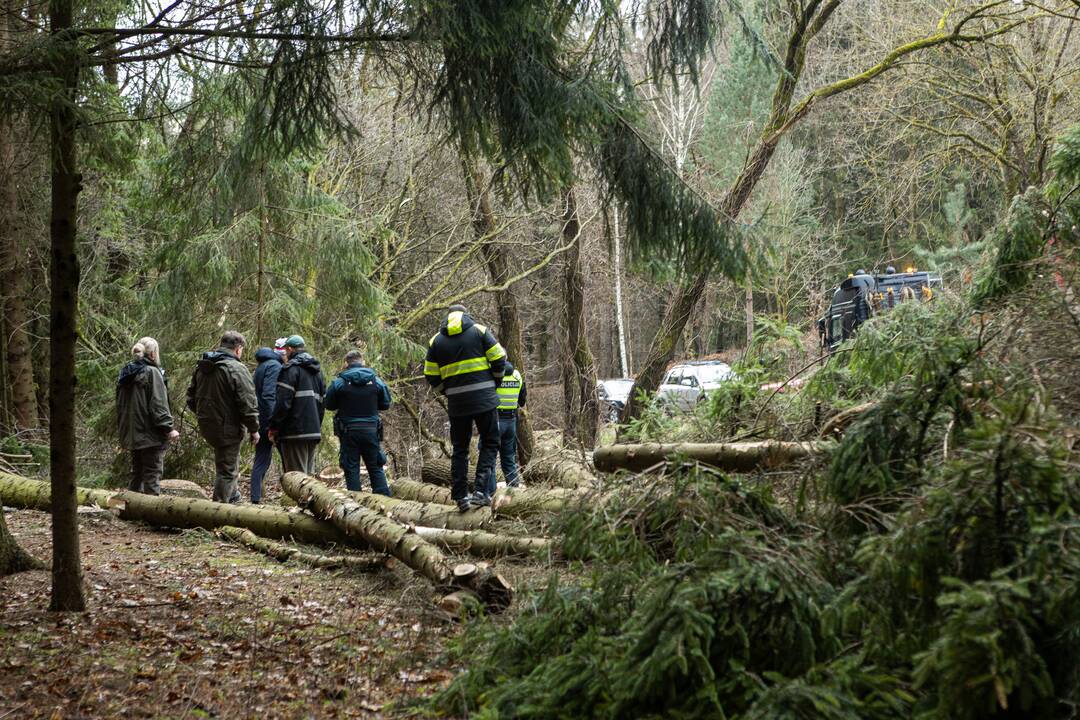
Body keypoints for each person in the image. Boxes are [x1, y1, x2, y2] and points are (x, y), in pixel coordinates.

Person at [424, 304, 506, 512]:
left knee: (460, 448)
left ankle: (460, 496)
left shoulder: (436, 341)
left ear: (447, 317)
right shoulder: (479, 331)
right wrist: (495, 382)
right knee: (490, 442)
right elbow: (499, 358)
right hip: (485, 399)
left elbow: (431, 376)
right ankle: (480, 491)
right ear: (466, 314)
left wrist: (447, 391)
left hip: (457, 404)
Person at [186, 330, 259, 503]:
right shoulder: (236, 368)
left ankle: (233, 497)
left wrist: (206, 416)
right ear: (238, 348)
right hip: (228, 427)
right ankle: (218, 510)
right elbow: (247, 402)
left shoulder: (203, 367)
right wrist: (254, 429)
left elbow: (191, 397)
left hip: (208, 425)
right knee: (227, 471)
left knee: (227, 464)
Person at [116, 337, 180, 495]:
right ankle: (151, 516)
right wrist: (168, 428)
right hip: (150, 434)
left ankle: (131, 510)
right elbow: (158, 404)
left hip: (133, 433)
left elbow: (120, 406)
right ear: (153, 354)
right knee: (152, 474)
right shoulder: (151, 372)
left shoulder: (126, 373)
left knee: (137, 473)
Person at [325, 350, 392, 495]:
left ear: (346, 363)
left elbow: (329, 404)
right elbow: (386, 404)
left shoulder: (339, 383)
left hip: (348, 431)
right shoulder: (376, 381)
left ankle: (356, 503)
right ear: (363, 362)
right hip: (371, 431)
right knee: (375, 467)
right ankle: (385, 500)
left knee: (351, 468)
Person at [268, 335, 325, 476]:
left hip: (294, 432)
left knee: (297, 478)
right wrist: (317, 425)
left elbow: (282, 403)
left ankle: (303, 499)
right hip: (313, 431)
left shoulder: (290, 370)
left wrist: (274, 427)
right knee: (309, 478)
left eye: (286, 351)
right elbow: (322, 405)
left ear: (289, 349)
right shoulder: (318, 373)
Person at [249, 338, 287, 504]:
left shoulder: (262, 366)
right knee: (287, 460)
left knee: (262, 459)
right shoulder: (275, 366)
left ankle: (255, 498)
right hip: (268, 421)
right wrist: (274, 423)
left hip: (260, 419)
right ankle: (292, 497)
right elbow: (269, 395)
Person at [495, 361, 527, 488]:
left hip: (495, 420)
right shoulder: (517, 375)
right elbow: (522, 400)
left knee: (488, 458)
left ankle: (488, 492)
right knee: (509, 458)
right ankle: (514, 491)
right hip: (511, 422)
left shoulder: (494, 375)